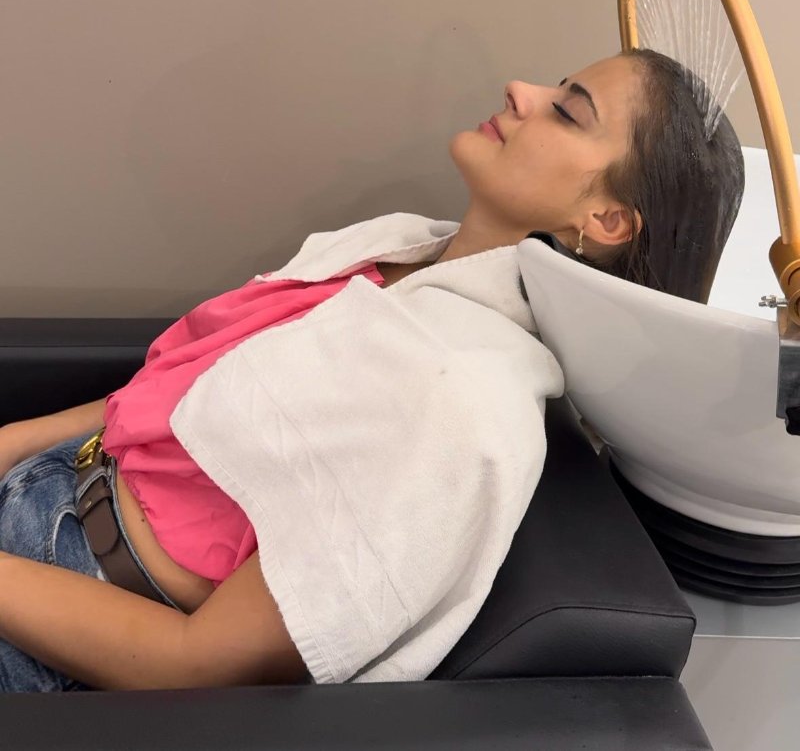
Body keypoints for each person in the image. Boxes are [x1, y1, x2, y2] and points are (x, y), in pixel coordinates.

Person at [0, 48, 744, 692]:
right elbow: (174, 395)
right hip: (57, 485)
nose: (520, 91)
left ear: (607, 221)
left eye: (567, 111)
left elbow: (196, 663)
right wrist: (14, 442)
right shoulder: (396, 251)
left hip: (80, 612)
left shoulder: (460, 403)